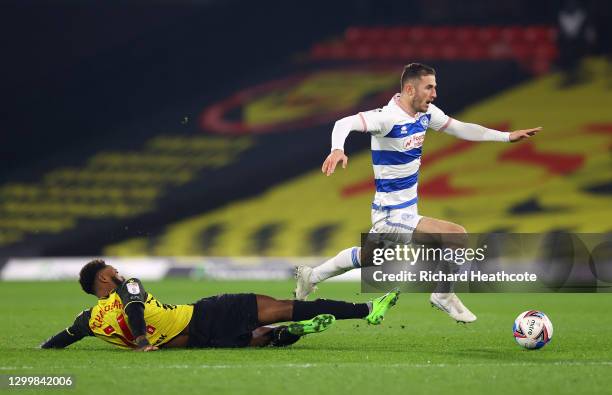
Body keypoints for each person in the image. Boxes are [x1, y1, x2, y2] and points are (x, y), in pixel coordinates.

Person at [295, 63, 541, 323]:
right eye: (429, 87)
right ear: (410, 89)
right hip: (390, 216)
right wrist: (337, 149)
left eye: (435, 87)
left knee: (366, 257)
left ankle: (311, 276)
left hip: (404, 210)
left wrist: (505, 137)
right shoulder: (387, 118)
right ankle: (443, 295)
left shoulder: (426, 114)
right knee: (456, 236)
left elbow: (460, 127)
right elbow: (344, 122)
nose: (434, 93)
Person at [41, 259, 399, 351]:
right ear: (103, 280)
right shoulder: (128, 286)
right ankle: (367, 311)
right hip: (204, 312)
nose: (118, 273)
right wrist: (141, 340)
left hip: (198, 341)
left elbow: (64, 337)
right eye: (112, 271)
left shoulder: (89, 320)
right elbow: (134, 309)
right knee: (284, 305)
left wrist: (43, 349)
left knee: (256, 338)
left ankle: (280, 336)